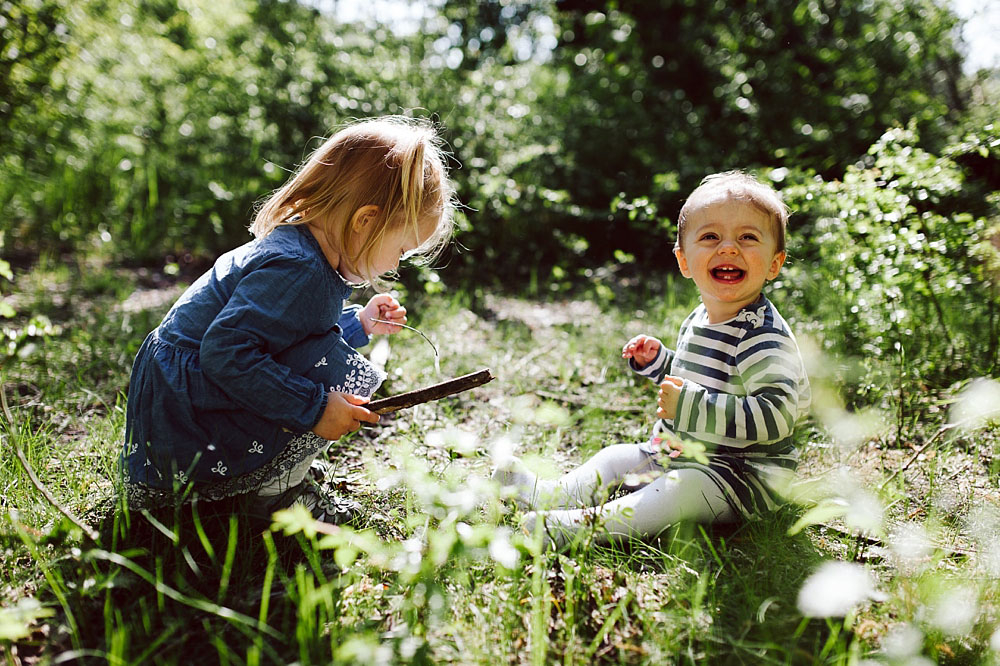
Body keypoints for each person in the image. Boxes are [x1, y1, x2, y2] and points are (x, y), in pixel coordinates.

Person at [122, 116, 455, 525]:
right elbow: (226, 353)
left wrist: (360, 323)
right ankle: (274, 498)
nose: (395, 265)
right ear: (365, 221)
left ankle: (273, 479)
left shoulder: (303, 249)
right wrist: (313, 408)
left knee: (327, 370)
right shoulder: (299, 270)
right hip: (189, 410)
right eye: (401, 250)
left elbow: (289, 334)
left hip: (185, 390)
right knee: (335, 377)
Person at [494, 171, 811, 547]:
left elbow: (776, 417)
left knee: (680, 490)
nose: (728, 248)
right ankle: (551, 495)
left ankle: (580, 527)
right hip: (677, 453)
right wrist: (661, 363)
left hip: (740, 475)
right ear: (684, 261)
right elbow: (701, 376)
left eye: (747, 237)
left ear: (774, 264)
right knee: (615, 458)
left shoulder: (763, 337)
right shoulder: (701, 317)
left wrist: (691, 404)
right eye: (710, 237)